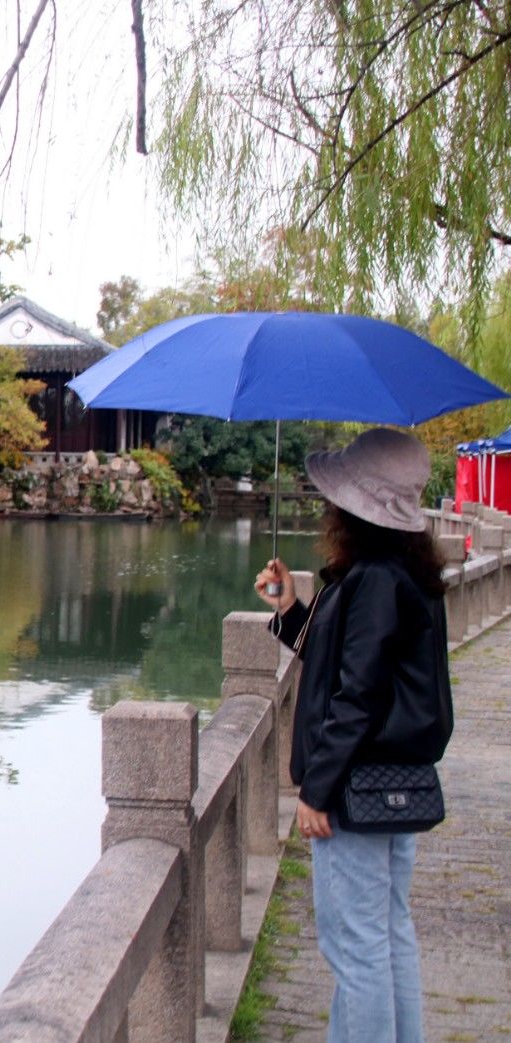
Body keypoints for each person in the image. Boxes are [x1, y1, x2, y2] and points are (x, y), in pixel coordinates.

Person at [253, 427, 452, 1043]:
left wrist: (317, 788)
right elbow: (348, 660)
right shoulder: (401, 574)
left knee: (356, 948)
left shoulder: (373, 582)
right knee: (387, 935)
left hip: (356, 785)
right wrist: (290, 611)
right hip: (392, 777)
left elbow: (356, 695)